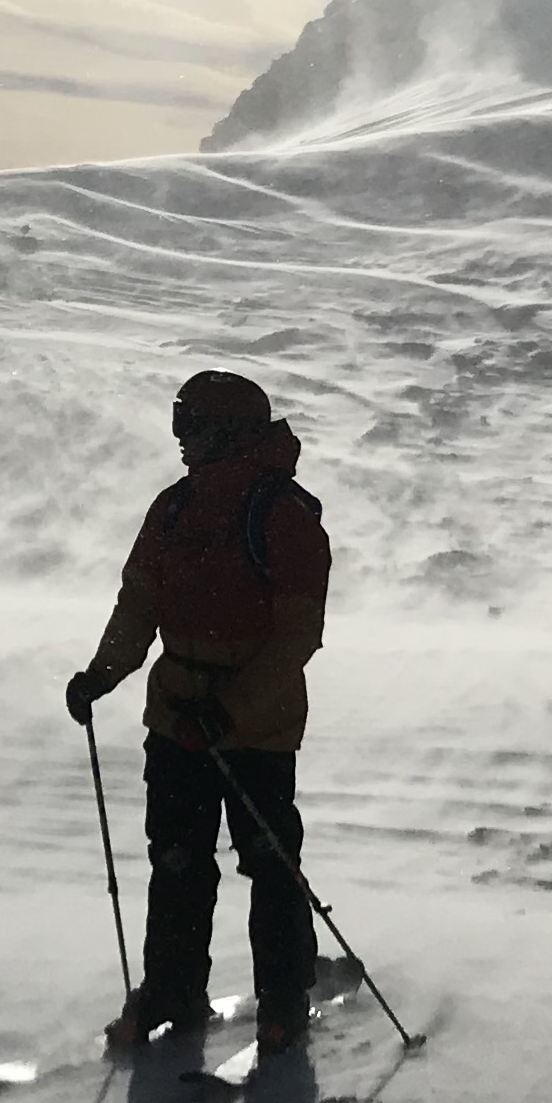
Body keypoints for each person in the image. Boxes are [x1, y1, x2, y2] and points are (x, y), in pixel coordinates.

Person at [64, 369, 332, 1056]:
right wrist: (102, 675)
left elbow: (296, 635)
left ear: (233, 434)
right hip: (178, 720)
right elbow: (139, 604)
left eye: (195, 428)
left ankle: (283, 999)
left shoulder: (284, 517)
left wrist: (232, 711)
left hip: (257, 729)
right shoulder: (174, 510)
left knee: (269, 863)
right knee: (178, 861)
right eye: (180, 426)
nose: (182, 441)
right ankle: (172, 993)